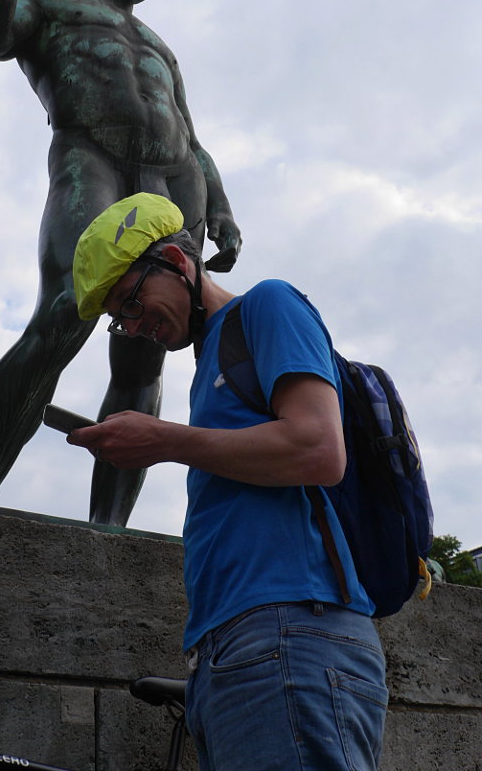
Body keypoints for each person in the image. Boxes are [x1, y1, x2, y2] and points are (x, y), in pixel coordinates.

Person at [0, 0, 240, 524]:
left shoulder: (161, 46)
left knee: (146, 351)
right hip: (92, 162)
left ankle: (108, 528)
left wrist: (219, 202)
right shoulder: (51, 7)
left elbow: (190, 135)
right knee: (61, 316)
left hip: (172, 185)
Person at [68, 192, 388, 771]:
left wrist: (164, 441)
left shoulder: (266, 305)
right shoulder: (208, 362)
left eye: (131, 301)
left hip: (291, 628)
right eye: (122, 319)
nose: (135, 327)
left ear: (176, 258)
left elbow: (319, 449)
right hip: (230, 648)